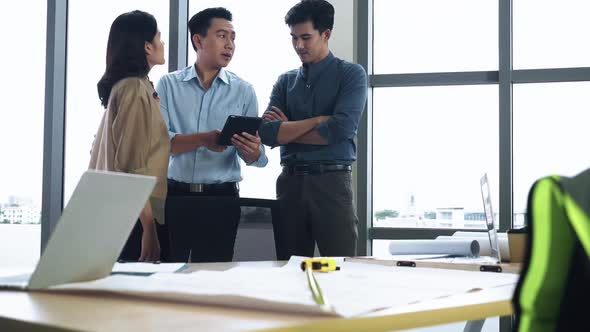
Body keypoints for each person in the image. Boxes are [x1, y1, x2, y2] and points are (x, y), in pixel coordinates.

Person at [156, 7, 268, 262]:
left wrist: (252, 152)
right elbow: (162, 144)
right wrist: (205, 139)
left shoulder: (244, 90)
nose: (230, 44)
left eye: (233, 37)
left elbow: (257, 157)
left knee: (214, 279)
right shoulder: (168, 85)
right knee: (170, 279)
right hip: (176, 199)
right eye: (221, 36)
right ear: (198, 40)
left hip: (223, 201)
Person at [259, 0, 368, 257]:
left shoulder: (351, 75)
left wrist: (287, 131)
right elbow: (266, 133)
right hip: (290, 185)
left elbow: (341, 129)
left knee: (342, 269)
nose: (299, 45)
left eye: (306, 38)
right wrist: (318, 121)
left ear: (326, 34)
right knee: (290, 271)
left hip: (332, 184)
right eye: (294, 38)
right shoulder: (285, 82)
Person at [89, 10, 169, 262]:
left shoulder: (130, 86)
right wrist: (149, 229)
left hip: (121, 214)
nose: (163, 42)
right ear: (147, 46)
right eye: (159, 36)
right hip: (133, 218)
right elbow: (132, 169)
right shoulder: (134, 89)